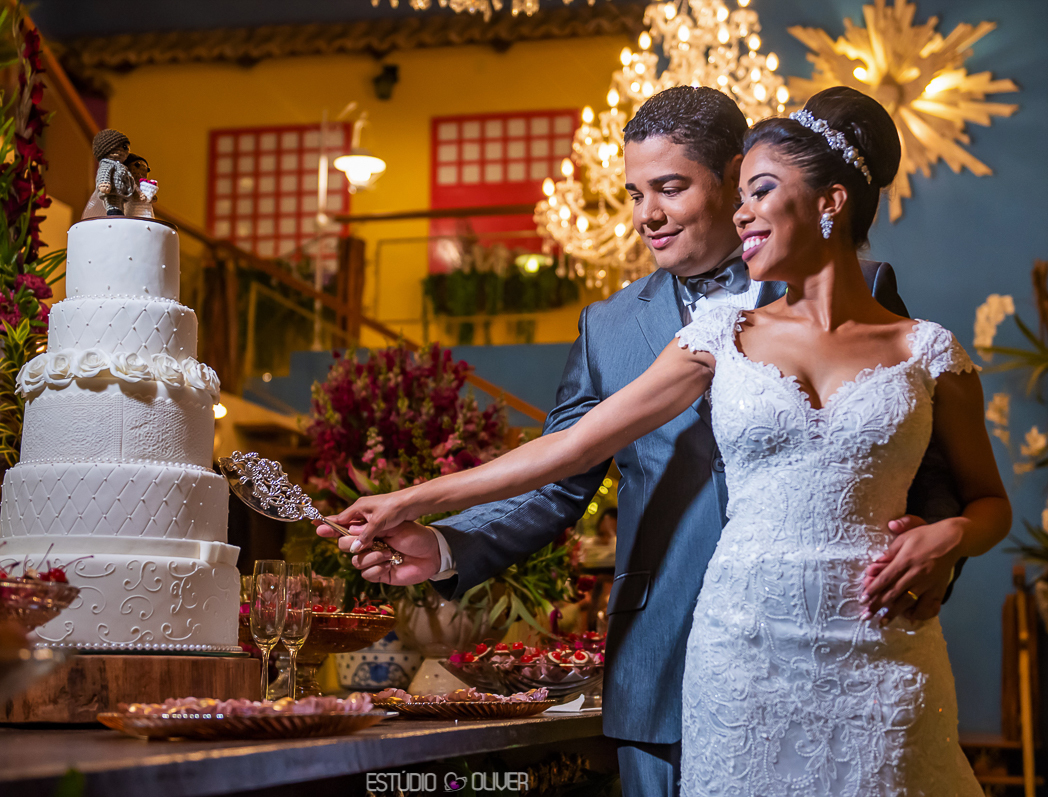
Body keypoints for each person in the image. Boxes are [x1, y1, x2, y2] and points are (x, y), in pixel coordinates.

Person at [320, 87, 1006, 795]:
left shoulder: (876, 299)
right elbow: (565, 461)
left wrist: (941, 543)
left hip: (859, 634)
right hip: (675, 651)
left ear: (735, 176)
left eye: (670, 187)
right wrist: (439, 534)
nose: (647, 214)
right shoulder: (613, 328)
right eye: (634, 192)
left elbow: (922, 460)